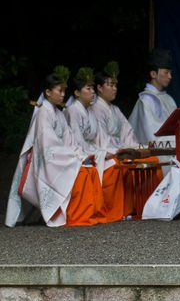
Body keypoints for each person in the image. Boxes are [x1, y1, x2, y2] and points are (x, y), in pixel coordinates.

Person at [5, 66, 108, 227]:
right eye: (59, 91)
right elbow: (48, 146)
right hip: (45, 163)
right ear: (47, 92)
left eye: (63, 91)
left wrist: (80, 156)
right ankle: (78, 216)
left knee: (90, 169)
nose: (62, 95)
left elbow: (70, 141)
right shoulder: (42, 113)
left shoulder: (58, 113)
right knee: (81, 172)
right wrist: (73, 158)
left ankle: (90, 214)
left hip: (59, 160)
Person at [128, 48, 180, 180]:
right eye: (166, 72)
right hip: (158, 151)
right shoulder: (145, 101)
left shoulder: (168, 98)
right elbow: (152, 136)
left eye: (170, 72)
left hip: (171, 146)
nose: (170, 76)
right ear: (153, 74)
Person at [64, 67, 124, 222]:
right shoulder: (72, 111)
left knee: (113, 163)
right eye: (88, 88)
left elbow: (94, 139)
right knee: (105, 167)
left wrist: (102, 152)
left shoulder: (89, 110)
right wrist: (98, 154)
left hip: (89, 150)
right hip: (74, 152)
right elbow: (75, 140)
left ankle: (112, 212)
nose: (92, 92)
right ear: (77, 93)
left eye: (92, 88)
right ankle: (89, 213)